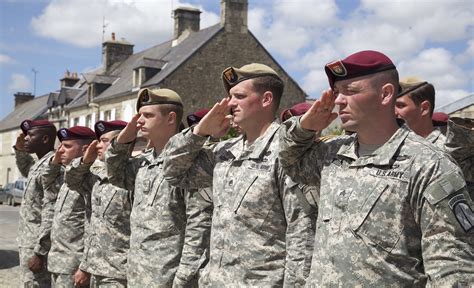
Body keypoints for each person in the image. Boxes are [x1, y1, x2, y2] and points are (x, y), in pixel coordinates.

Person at [279, 50, 474, 286]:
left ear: (385, 94)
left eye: (351, 91)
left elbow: (453, 269)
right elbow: (290, 162)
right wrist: (305, 126)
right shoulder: (332, 153)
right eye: (338, 92)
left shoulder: (429, 164)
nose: (339, 100)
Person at [162, 63, 315, 287]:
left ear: (266, 99)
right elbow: (173, 172)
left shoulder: (286, 153)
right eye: (230, 96)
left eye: (239, 96)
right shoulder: (224, 152)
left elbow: (301, 234)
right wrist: (199, 132)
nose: (230, 103)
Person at [105, 88, 212, 287]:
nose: (139, 121)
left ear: (171, 118)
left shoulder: (190, 164)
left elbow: (199, 226)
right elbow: (115, 174)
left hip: (168, 277)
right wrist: (123, 139)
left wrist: (184, 278)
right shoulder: (143, 163)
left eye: (147, 115)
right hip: (138, 274)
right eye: (139, 116)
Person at [64, 120, 131, 287]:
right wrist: (85, 161)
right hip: (95, 269)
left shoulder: (132, 174)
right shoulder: (97, 176)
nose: (98, 146)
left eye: (105, 141)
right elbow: (71, 180)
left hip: (119, 272)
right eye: (98, 140)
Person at [43, 126, 96, 287]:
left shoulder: (90, 178)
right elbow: (48, 186)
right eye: (60, 146)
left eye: (67, 146)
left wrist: (84, 266)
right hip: (58, 261)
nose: (60, 151)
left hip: (74, 264)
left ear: (86, 149)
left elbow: (93, 226)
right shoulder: (68, 175)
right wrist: (54, 163)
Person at [14, 119, 58, 287]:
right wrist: (19, 150)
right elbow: (27, 168)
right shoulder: (39, 164)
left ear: (45, 139)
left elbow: (50, 211)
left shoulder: (53, 166)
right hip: (28, 242)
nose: (26, 138)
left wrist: (40, 252)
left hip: (37, 246)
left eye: (31, 135)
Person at [395, 77, 446, 148]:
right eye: (391, 106)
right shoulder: (390, 145)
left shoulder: (449, 151)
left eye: (400, 106)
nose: (393, 112)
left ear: (424, 108)